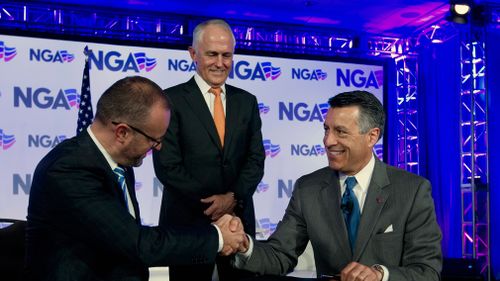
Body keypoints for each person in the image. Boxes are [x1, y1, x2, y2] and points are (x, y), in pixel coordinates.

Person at [25, 76, 246, 281]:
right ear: (122, 132)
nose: (158, 147)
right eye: (154, 139)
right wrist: (217, 238)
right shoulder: (68, 170)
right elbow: (139, 245)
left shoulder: (119, 160)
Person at [233, 90, 442, 281]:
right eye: (326, 129)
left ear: (372, 136)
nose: (328, 141)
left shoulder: (412, 191)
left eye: (340, 132)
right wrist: (244, 246)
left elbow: (427, 272)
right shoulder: (308, 189)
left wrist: (380, 275)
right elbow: (279, 255)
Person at [153, 19, 265, 281]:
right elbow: (168, 167)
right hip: (187, 224)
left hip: (238, 221)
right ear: (193, 54)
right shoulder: (170, 100)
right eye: (212, 54)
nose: (220, 63)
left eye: (227, 55)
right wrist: (216, 205)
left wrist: (233, 198)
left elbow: (255, 159)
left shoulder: (247, 102)